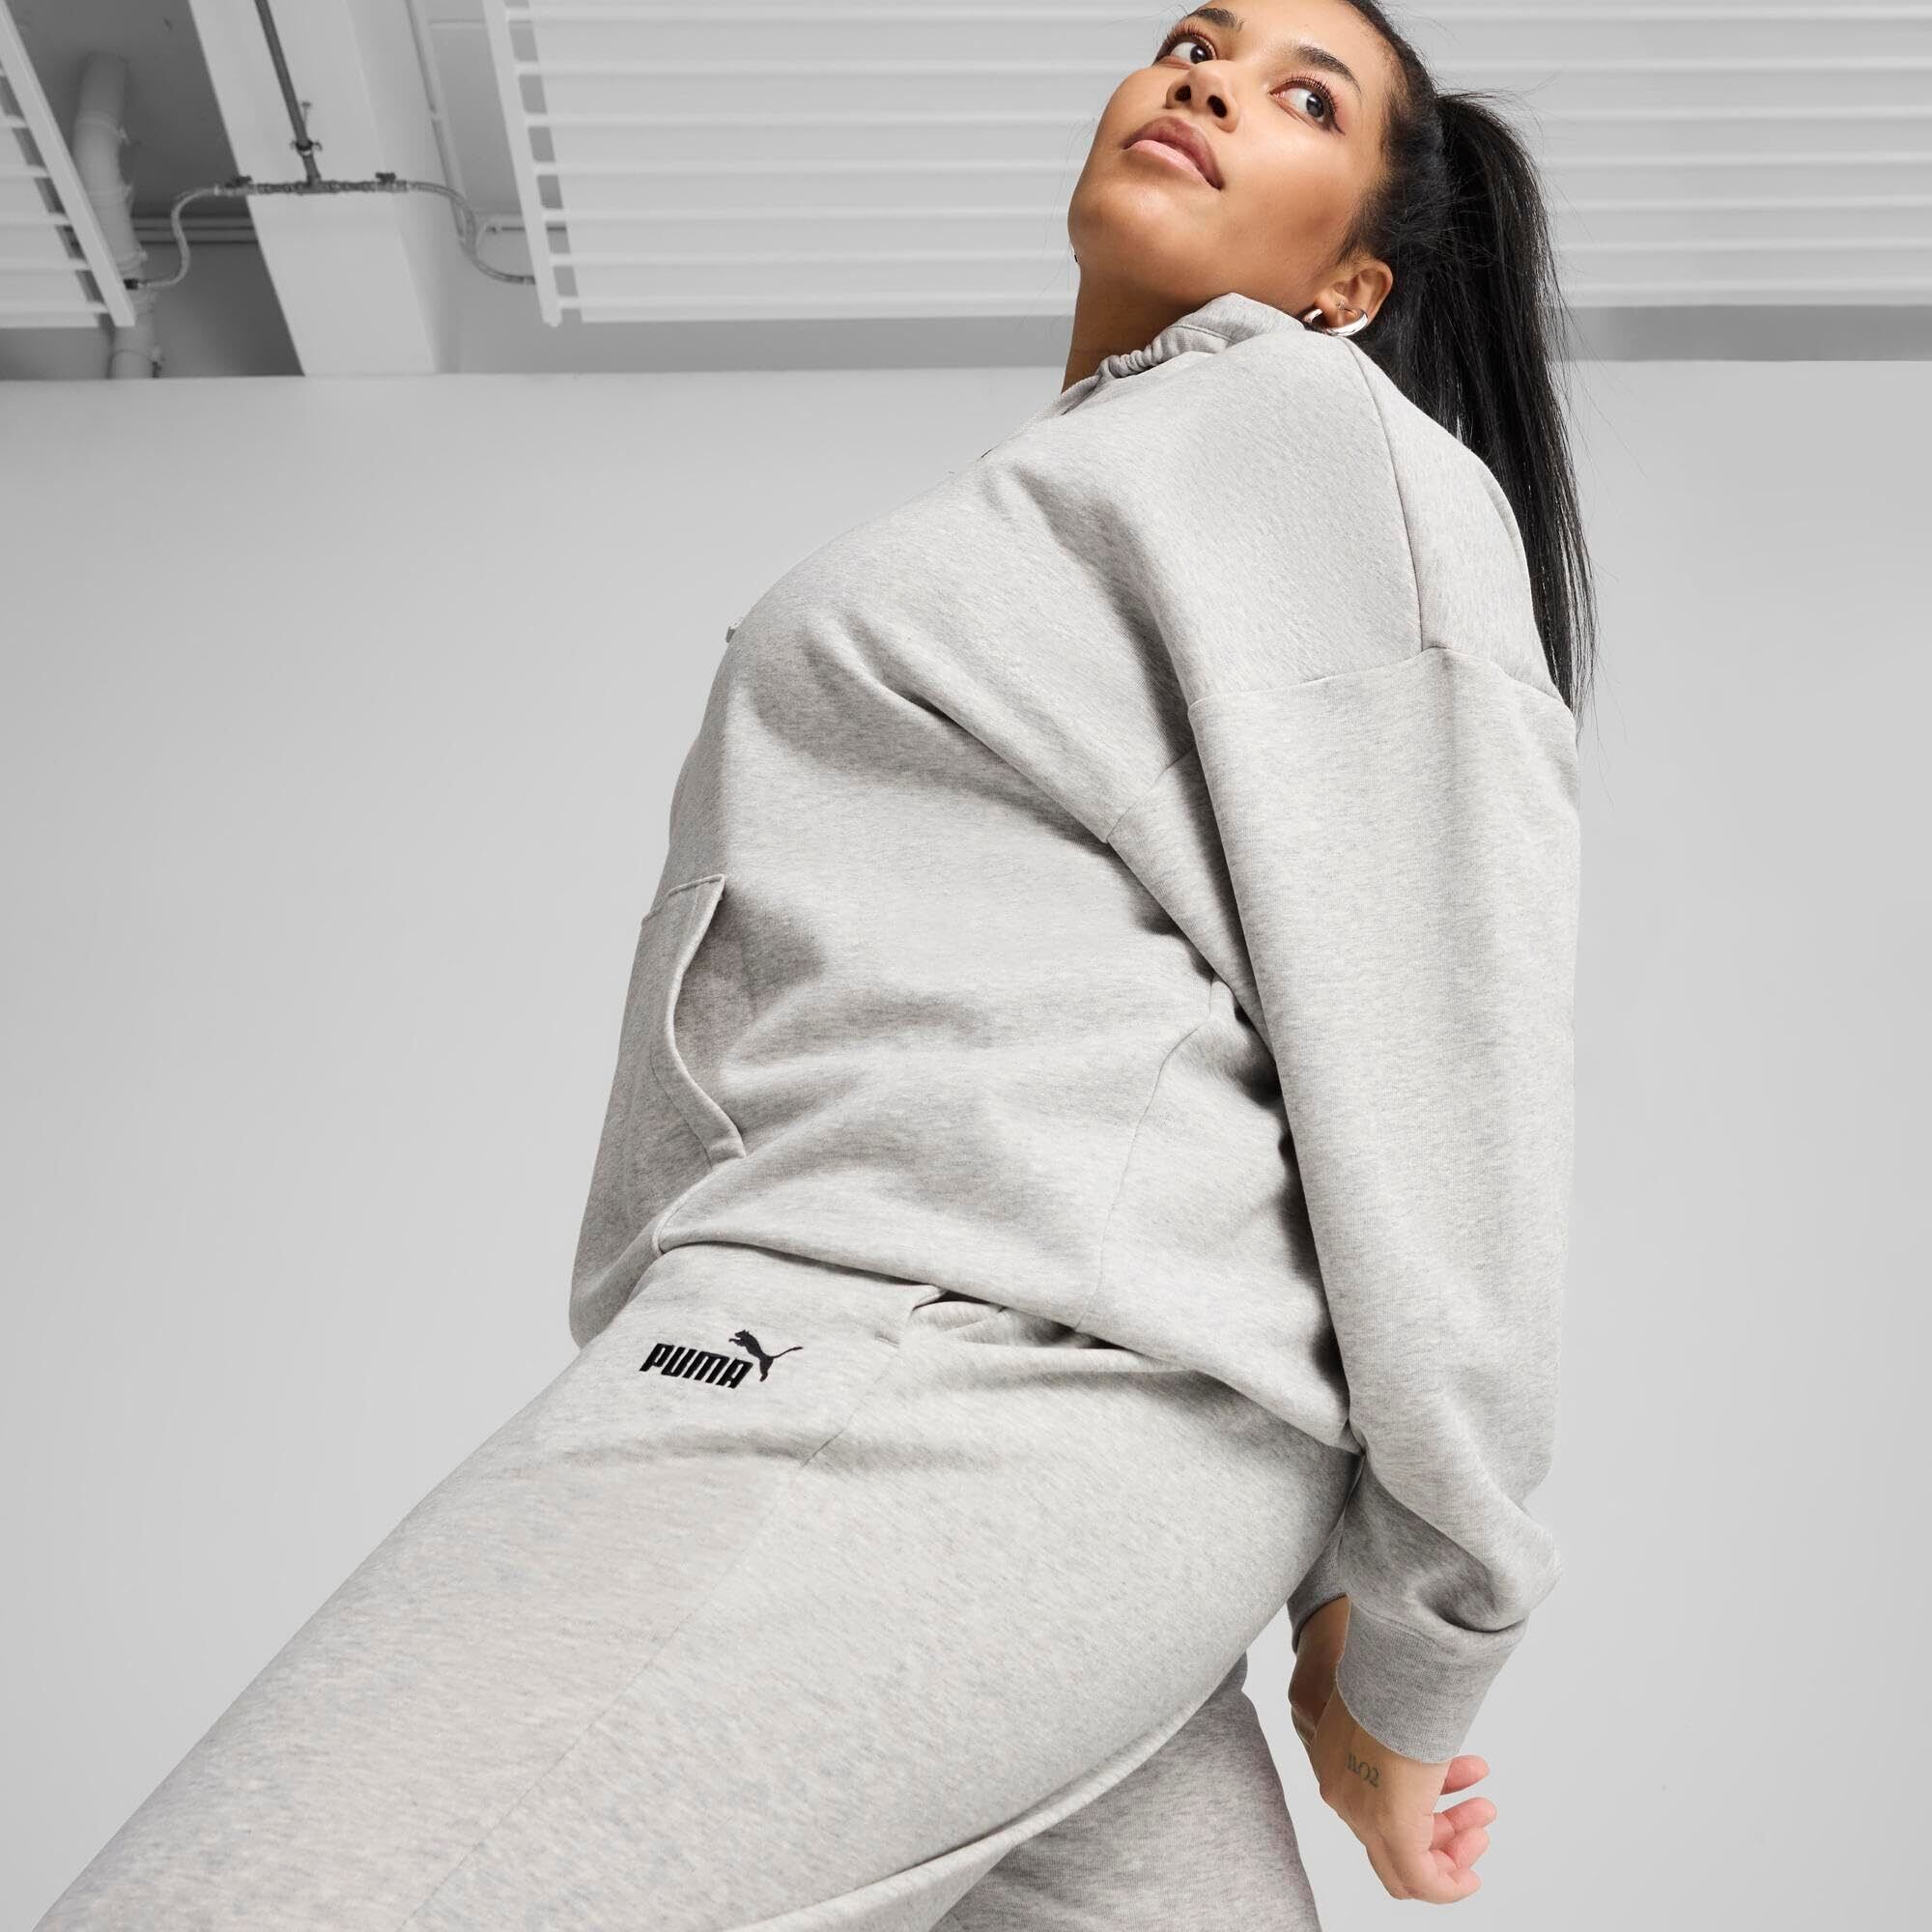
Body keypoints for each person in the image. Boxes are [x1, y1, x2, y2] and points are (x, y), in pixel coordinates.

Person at [32, 2, 1595, 1925]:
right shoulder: (1069, 499)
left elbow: (1440, 1040)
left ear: (1352, 284)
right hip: (963, 1397)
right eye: (1192, 39)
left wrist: (1409, 1627)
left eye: (1301, 97)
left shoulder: (1305, 437)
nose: (1204, 77)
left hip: (935, 1373)